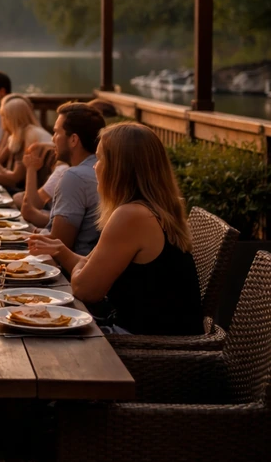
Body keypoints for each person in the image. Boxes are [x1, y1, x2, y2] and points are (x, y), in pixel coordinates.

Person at [29, 123, 202, 336]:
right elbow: (93, 268)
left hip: (150, 345)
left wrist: (79, 267)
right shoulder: (154, 208)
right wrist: (61, 250)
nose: (94, 166)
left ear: (119, 168)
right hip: (155, 336)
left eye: (100, 159)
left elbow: (85, 290)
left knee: (37, 330)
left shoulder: (132, 216)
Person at [27, 102, 107, 269]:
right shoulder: (102, 168)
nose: (52, 139)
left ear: (73, 139)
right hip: (93, 266)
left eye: (57, 132)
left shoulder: (74, 176)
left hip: (71, 272)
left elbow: (58, 245)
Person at [0, 95, 52, 190]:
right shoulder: (18, 134)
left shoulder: (31, 134)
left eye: (4, 117)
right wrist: (3, 171)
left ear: (14, 118)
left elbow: (18, 178)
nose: (2, 121)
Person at [19, 143, 67, 228]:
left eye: (56, 134)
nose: (53, 139)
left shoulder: (64, 170)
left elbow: (32, 205)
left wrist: (31, 168)